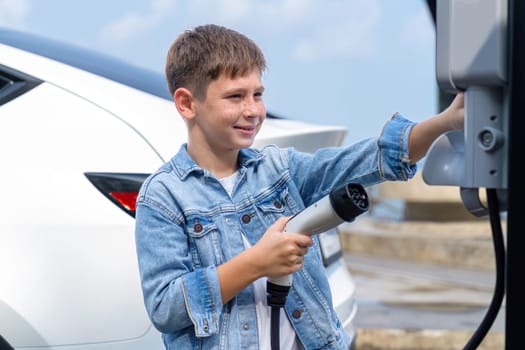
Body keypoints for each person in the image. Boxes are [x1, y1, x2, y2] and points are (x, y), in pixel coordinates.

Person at [134, 23, 464, 350]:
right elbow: (166, 307)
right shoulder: (163, 197)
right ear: (187, 104)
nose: (252, 110)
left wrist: (445, 121)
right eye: (235, 97)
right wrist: (257, 262)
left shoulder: (279, 171)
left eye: (258, 95)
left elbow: (367, 159)